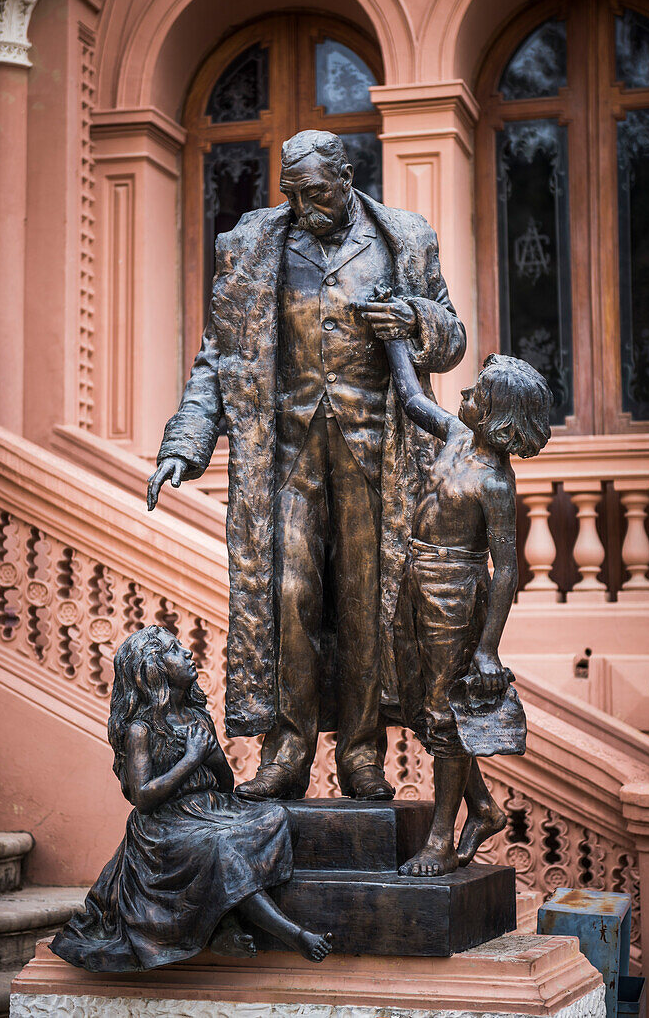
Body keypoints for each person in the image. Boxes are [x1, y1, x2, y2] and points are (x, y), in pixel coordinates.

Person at [147, 130, 466, 801]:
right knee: (289, 599)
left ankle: (360, 756)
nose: (305, 204)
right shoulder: (252, 246)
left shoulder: (405, 237)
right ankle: (286, 751)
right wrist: (184, 444)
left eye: (317, 190)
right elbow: (219, 359)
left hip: (375, 453)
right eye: (292, 191)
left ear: (347, 177)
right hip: (285, 457)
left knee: (362, 603)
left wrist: (413, 318)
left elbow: (451, 339)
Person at [49, 626, 333, 972]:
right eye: (174, 650)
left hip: (210, 808)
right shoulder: (142, 729)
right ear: (154, 669)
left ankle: (225, 923)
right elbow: (143, 798)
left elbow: (224, 783)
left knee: (276, 817)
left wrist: (210, 755)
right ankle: (293, 933)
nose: (186, 653)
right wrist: (190, 758)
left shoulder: (196, 716)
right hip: (165, 825)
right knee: (221, 847)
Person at [388, 352, 552, 876]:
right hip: (417, 581)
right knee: (418, 705)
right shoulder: (458, 436)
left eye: (476, 395)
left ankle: (440, 840)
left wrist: (487, 648)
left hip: (455, 598)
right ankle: (482, 808)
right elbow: (414, 400)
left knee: (445, 719)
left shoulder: (496, 486)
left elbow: (506, 570)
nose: (464, 398)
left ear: (497, 414)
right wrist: (395, 339)